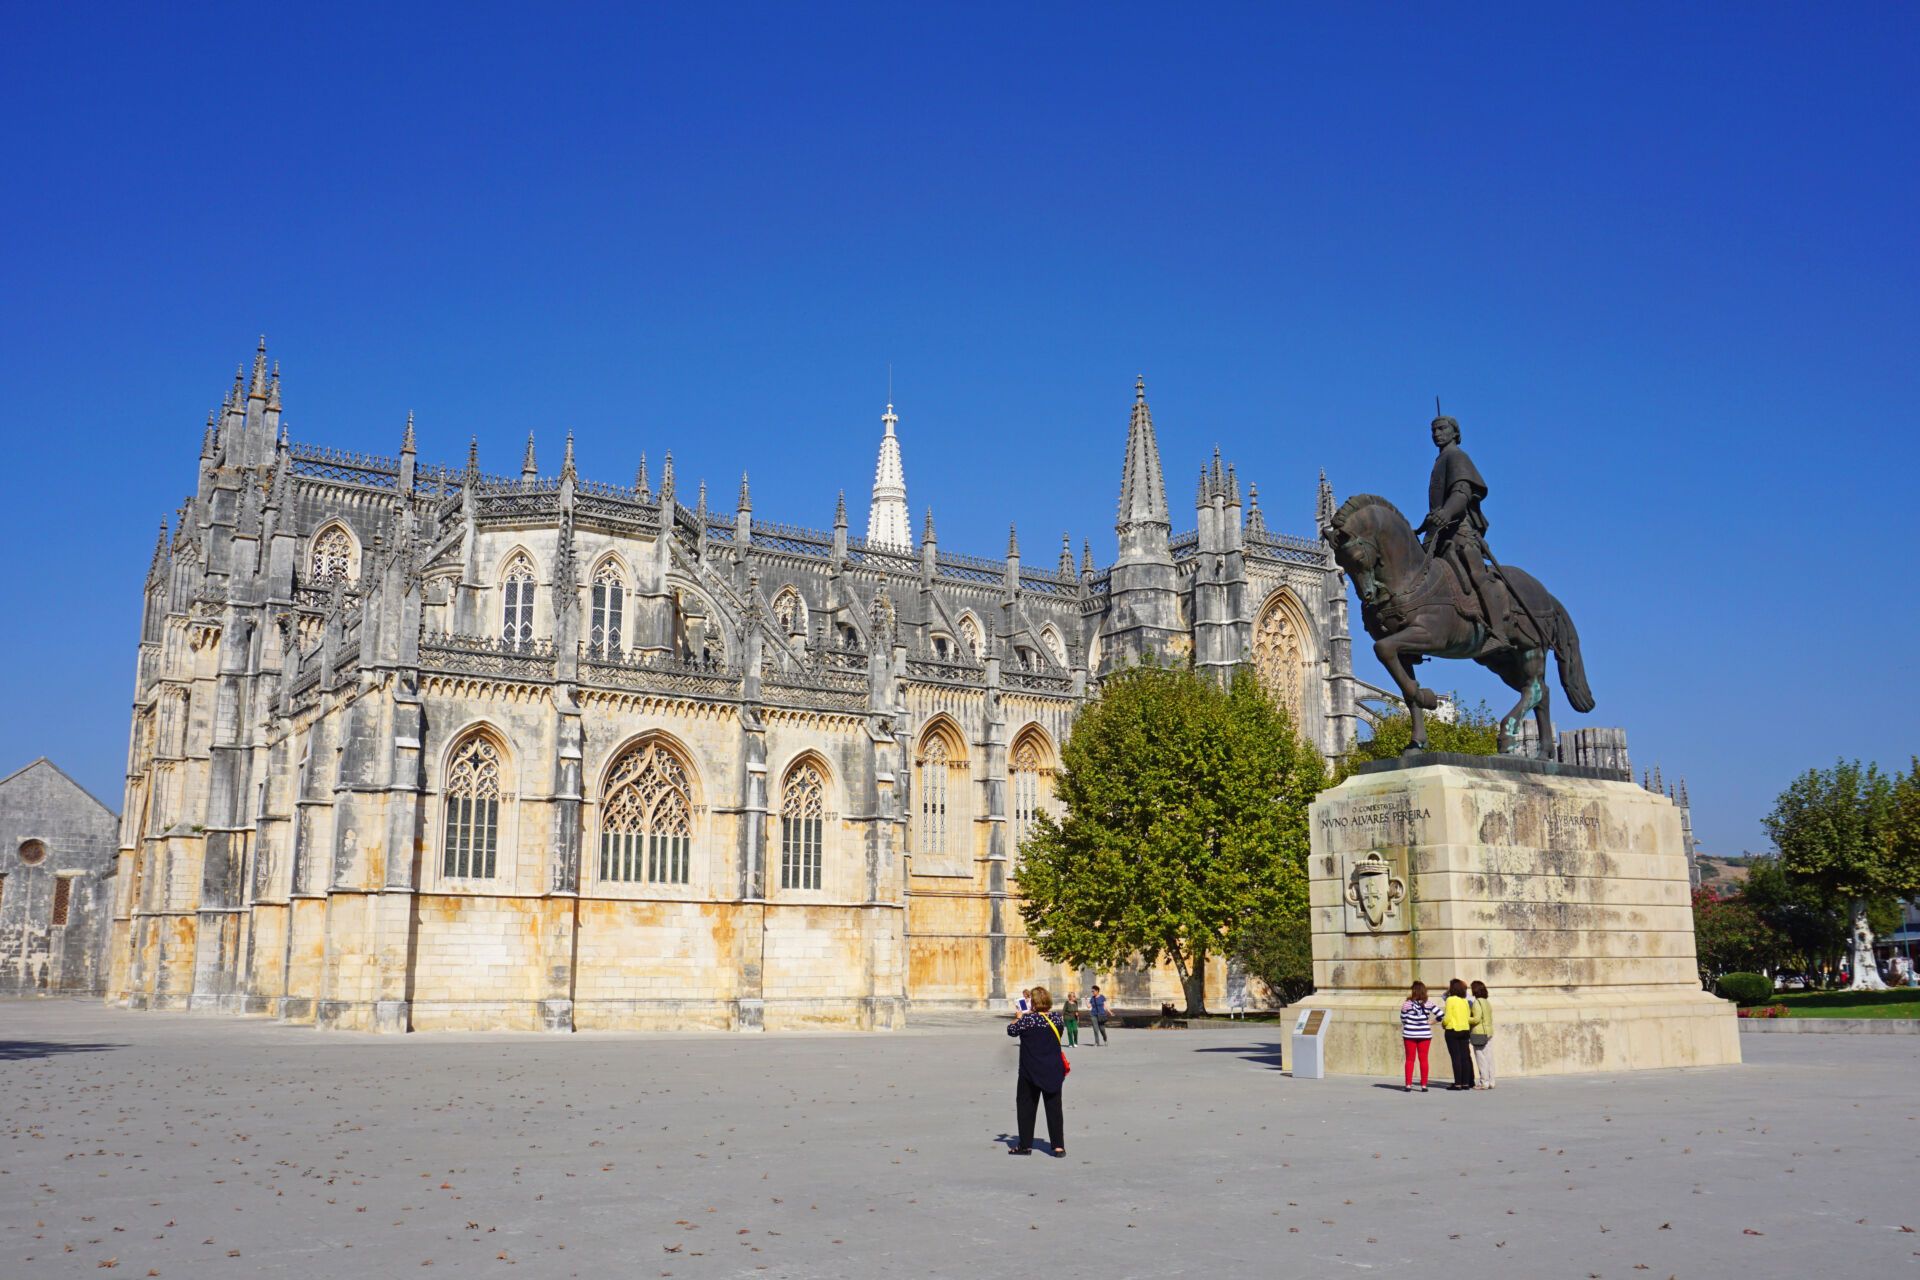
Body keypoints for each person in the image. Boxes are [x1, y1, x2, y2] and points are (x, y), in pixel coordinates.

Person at [1004, 985, 1067, 1157]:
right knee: (1054, 1107)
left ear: (1033, 1002)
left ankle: (1025, 1145)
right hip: (1053, 1068)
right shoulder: (1056, 1019)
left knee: (1026, 1107)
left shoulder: (1027, 1021)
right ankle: (1058, 1146)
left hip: (1030, 1070)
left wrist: (1017, 1017)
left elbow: (1011, 1031)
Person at [1398, 980, 1442, 1092]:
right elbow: (1441, 1015)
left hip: (1409, 1034)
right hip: (1425, 1034)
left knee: (1410, 1059)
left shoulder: (1407, 1004)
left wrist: (1409, 1024)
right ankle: (1424, 1085)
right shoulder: (1428, 1003)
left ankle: (1408, 1084)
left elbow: (1403, 1018)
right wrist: (1431, 1022)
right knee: (1423, 1060)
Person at [1441, 978, 1475, 1090]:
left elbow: (1447, 1017)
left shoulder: (1450, 1000)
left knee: (1456, 1058)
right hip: (1464, 1030)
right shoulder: (1464, 1000)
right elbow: (1467, 1016)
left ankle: (1458, 1083)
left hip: (1453, 1030)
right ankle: (1465, 1083)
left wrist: (1444, 1024)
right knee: (1464, 1058)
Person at [1468, 980, 1495, 1090]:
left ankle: (1484, 1082)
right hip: (1489, 1031)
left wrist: (1466, 1018)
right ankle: (1491, 1081)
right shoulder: (1486, 1002)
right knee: (1489, 1057)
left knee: (1480, 1057)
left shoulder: (1477, 1002)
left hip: (1479, 1033)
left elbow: (1476, 1019)